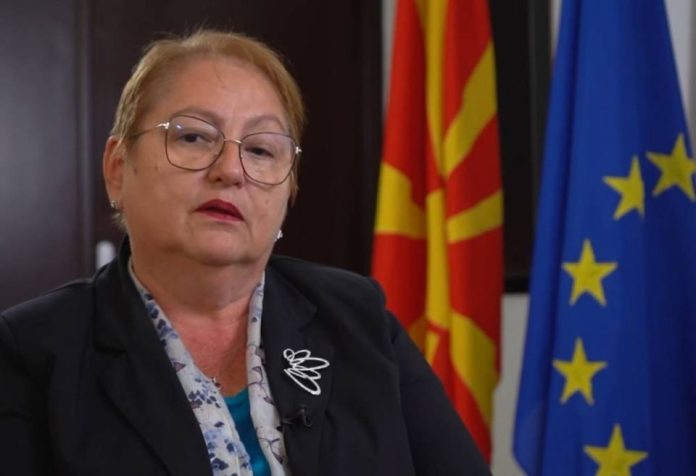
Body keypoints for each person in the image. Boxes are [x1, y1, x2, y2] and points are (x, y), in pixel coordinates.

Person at [0, 30, 490, 476]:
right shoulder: (31, 352)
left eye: (260, 150)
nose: (231, 170)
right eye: (194, 137)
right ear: (116, 169)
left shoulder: (358, 318)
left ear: (289, 190)